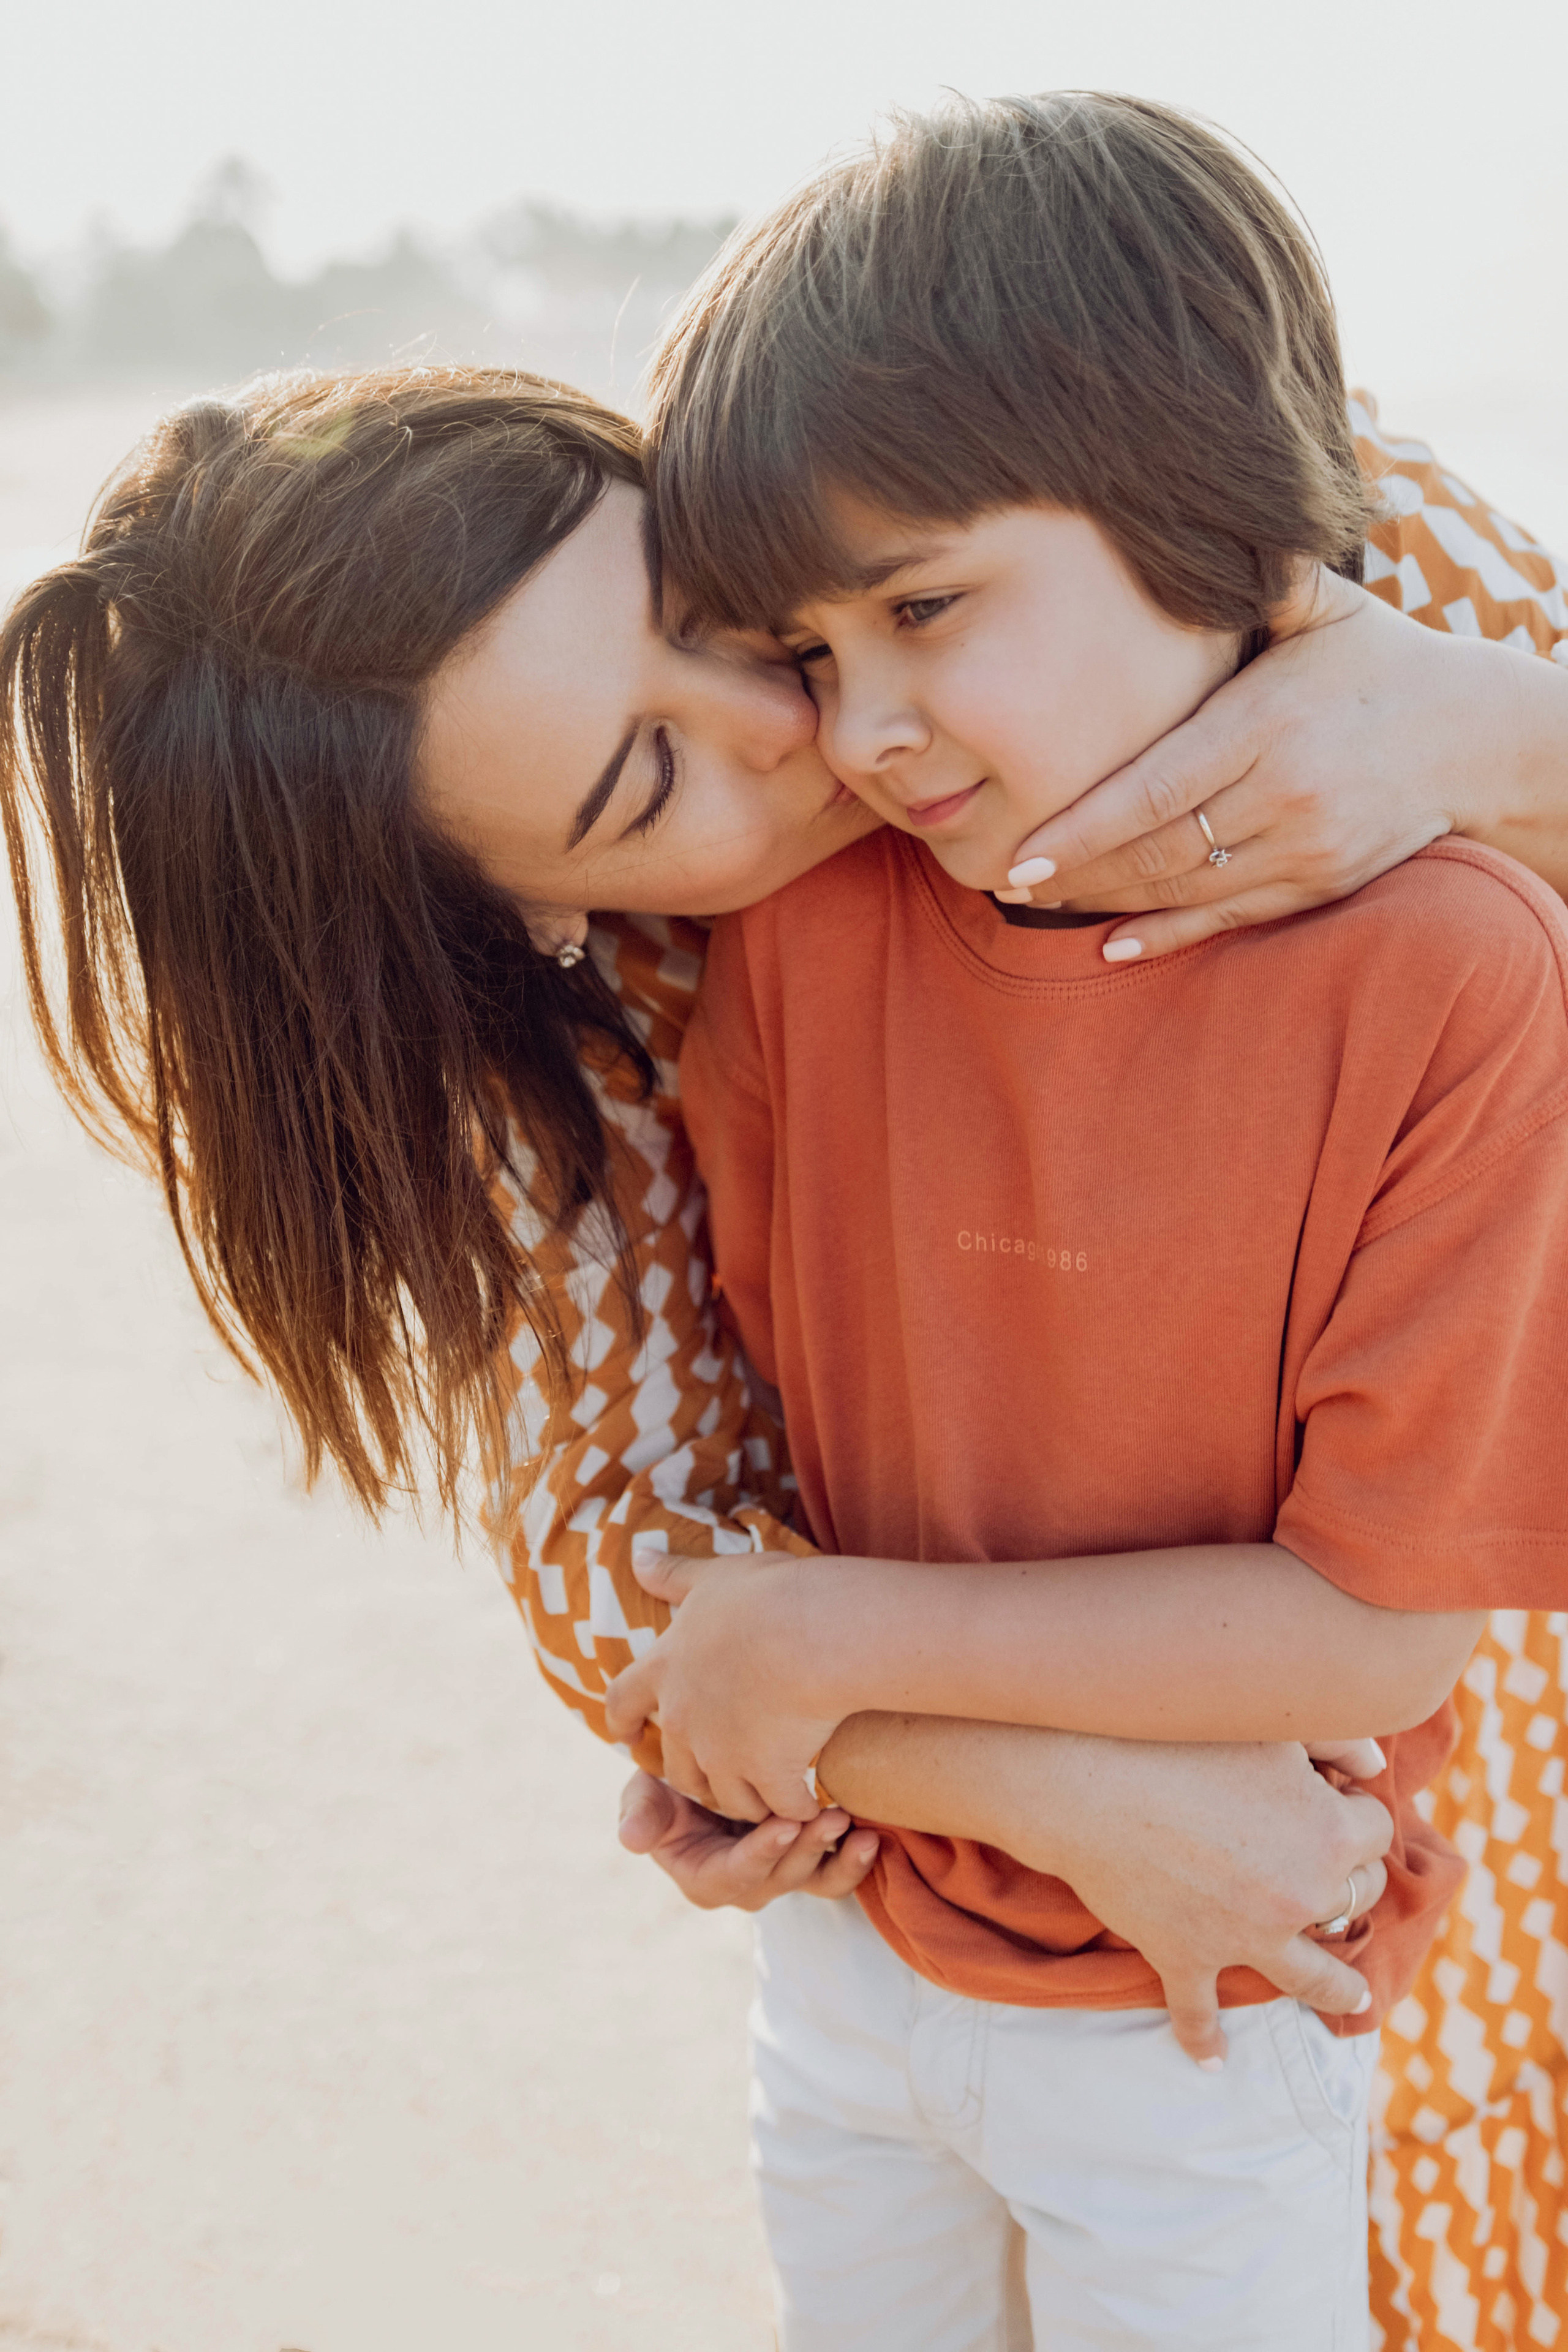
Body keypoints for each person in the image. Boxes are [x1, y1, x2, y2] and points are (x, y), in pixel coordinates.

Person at [1, 323, 1564, 2342]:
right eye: (652, 783)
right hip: (1053, 1923)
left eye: (706, 610)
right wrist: (1037, 1781)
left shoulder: (1131, 497)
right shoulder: (609, 1018)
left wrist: (1492, 742)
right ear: (534, 914)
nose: (802, 721)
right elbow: (613, 1545)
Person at [559, 91, 1568, 2345]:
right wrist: (752, 1716)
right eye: (810, 654)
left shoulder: (1464, 974)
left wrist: (817, 1649)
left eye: (926, 606)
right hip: (846, 1953)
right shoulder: (809, 937)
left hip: (1205, 2007)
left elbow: (1372, 1636)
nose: (873, 729)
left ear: (1215, 523)